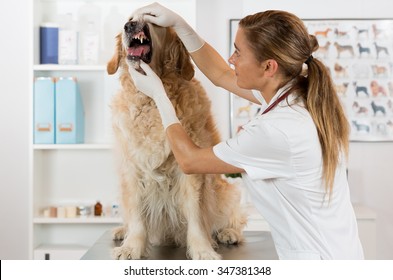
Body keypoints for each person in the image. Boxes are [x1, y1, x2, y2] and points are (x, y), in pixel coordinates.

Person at [129, 3, 364, 260]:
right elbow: (219, 74)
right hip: (340, 254)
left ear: (269, 67)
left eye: (238, 53)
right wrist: (182, 27)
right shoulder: (298, 95)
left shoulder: (278, 130)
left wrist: (159, 95)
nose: (231, 60)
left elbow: (189, 160)